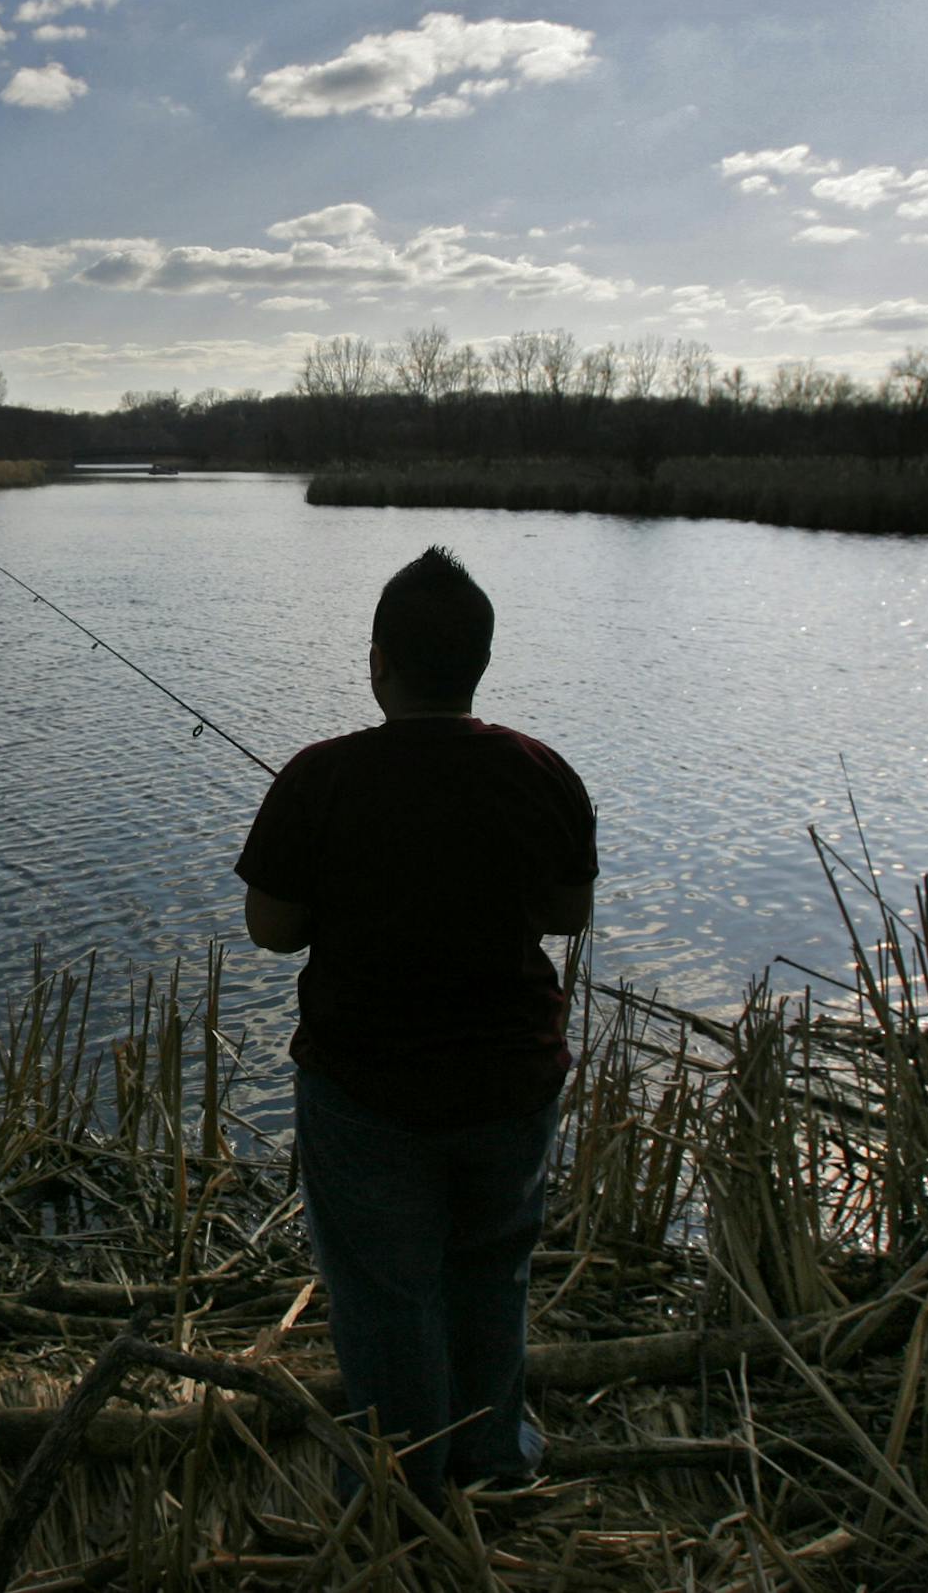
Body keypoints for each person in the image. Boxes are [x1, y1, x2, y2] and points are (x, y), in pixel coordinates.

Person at [235, 547, 595, 1508]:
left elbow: (271, 930)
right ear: (479, 660)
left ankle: (404, 1488)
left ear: (378, 661)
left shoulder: (319, 779)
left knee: (386, 1293)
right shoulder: (543, 772)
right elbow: (567, 912)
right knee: (490, 1273)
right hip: (512, 1083)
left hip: (367, 1089)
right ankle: (496, 1459)